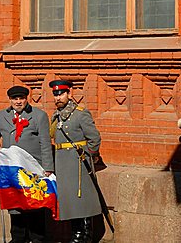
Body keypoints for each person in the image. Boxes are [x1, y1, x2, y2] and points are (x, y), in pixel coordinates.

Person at [0, 85, 54, 243]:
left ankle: (37, 239)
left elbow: (45, 143)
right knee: (15, 205)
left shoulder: (39, 116)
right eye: (15, 99)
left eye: (21, 98)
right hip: (12, 169)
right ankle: (18, 238)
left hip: (33, 168)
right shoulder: (1, 116)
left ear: (27, 99)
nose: (18, 102)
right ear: (10, 100)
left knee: (35, 204)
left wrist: (48, 168)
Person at [49, 80, 102, 243]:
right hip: (63, 164)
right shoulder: (56, 115)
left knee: (82, 198)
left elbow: (94, 138)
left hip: (78, 162)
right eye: (55, 94)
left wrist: (89, 156)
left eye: (61, 93)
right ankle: (76, 232)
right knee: (70, 199)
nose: (58, 97)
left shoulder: (80, 113)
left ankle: (84, 235)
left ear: (69, 93)